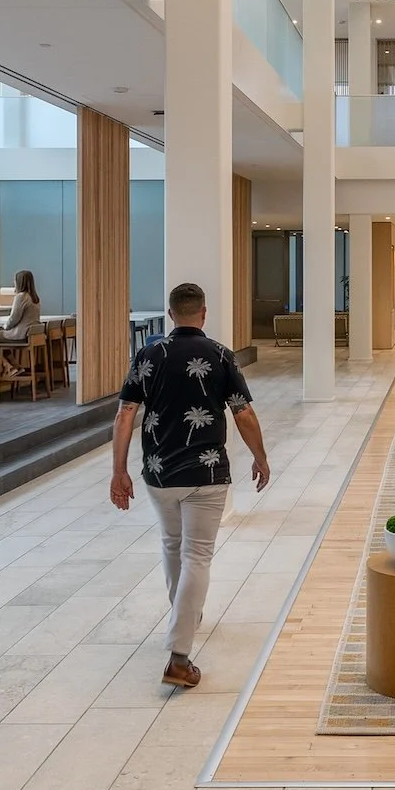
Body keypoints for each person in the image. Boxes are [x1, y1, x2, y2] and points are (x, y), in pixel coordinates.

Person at [109, 281, 270, 689]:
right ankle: (179, 657)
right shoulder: (219, 355)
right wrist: (261, 457)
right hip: (206, 473)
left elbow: (125, 415)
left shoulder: (148, 355)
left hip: (159, 473)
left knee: (171, 544)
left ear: (170, 314)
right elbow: (243, 413)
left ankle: (185, 611)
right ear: (203, 314)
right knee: (197, 556)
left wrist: (119, 470)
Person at [0, 269, 41, 343]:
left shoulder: (21, 297)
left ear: (19, 282)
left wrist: (5, 327)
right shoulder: (34, 297)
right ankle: (8, 354)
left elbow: (14, 318)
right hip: (32, 333)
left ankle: (2, 355)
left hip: (21, 334)